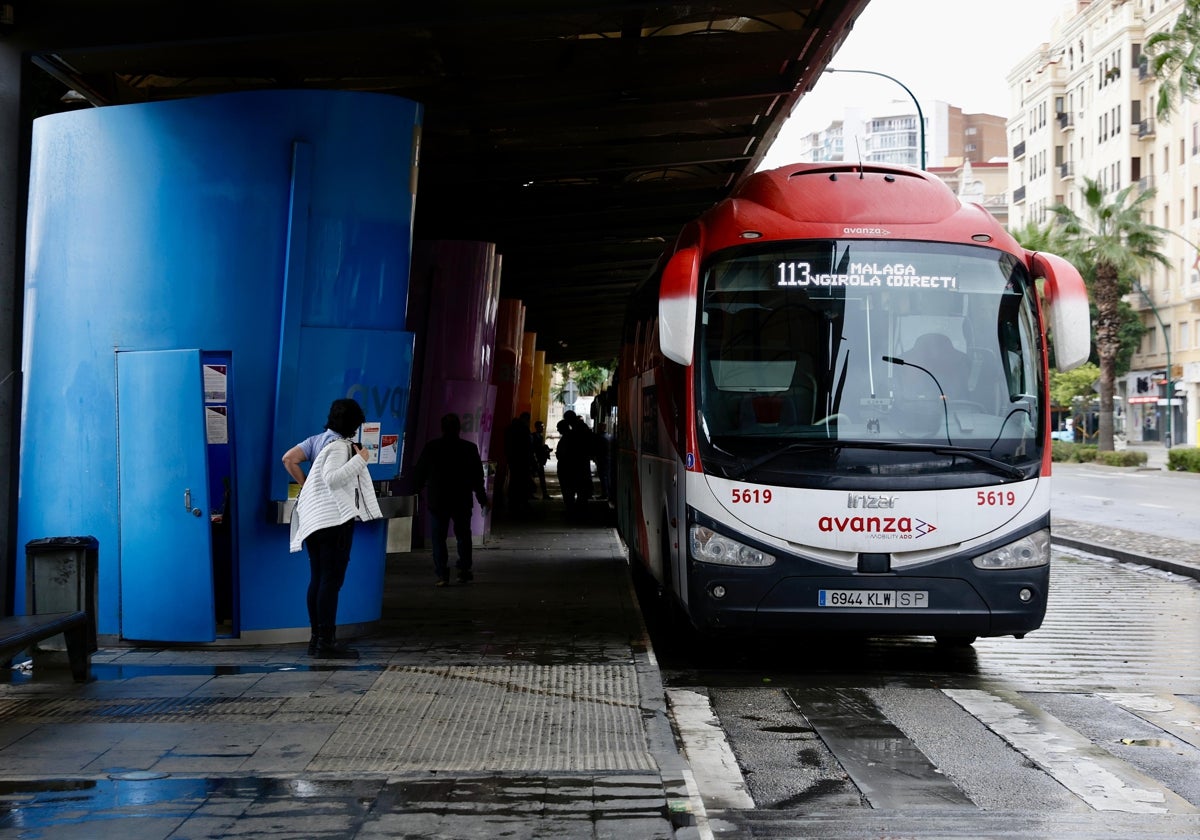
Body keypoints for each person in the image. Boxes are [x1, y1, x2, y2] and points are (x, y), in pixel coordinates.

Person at [284, 398, 381, 659]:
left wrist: (305, 486)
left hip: (316, 521)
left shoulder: (318, 441)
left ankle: (317, 640)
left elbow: (289, 459)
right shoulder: (339, 447)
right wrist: (360, 459)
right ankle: (326, 641)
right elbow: (332, 479)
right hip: (333, 521)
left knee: (318, 580)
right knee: (330, 582)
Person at [412, 412, 489, 586]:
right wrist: (482, 499)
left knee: (438, 538)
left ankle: (442, 574)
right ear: (459, 429)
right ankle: (463, 570)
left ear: (442, 428)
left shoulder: (431, 447)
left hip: (438, 500)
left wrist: (416, 492)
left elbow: (420, 473)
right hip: (461, 500)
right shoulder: (469, 449)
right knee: (463, 535)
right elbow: (477, 477)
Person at [504, 411, 536, 514]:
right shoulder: (523, 429)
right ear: (526, 419)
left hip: (513, 459)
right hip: (522, 459)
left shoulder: (511, 428)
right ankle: (521, 502)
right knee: (522, 482)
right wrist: (531, 460)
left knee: (514, 481)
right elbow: (528, 446)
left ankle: (513, 503)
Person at [533, 420, 551, 500]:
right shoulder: (534, 436)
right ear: (537, 427)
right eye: (541, 426)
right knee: (540, 477)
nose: (543, 428)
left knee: (541, 477)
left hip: (538, 460)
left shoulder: (540, 436)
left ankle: (544, 494)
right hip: (536, 460)